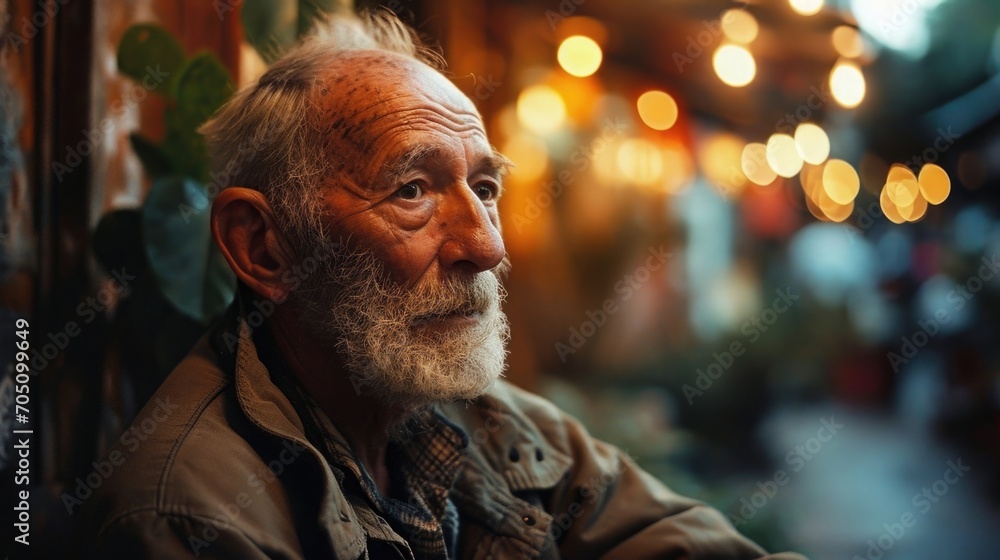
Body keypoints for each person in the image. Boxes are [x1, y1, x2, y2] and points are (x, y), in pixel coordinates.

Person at [76, 10, 808, 560]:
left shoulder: (483, 422)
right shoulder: (189, 516)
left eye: (484, 187)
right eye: (412, 190)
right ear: (262, 247)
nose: (487, 247)